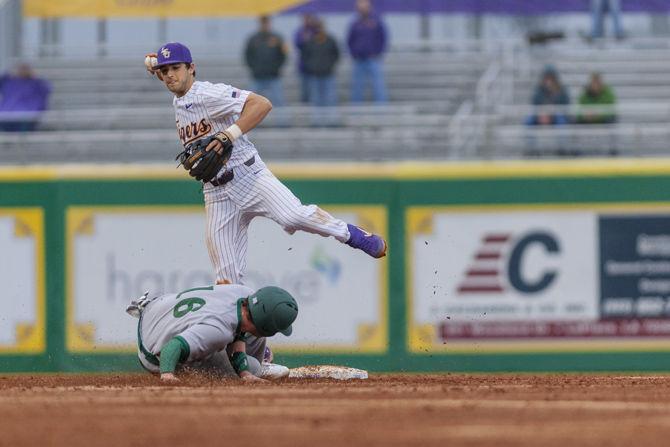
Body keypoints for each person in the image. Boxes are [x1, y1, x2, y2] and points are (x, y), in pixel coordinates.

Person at [144, 42, 387, 287]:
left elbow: (262, 104)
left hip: (248, 175)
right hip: (216, 193)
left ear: (192, 68)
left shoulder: (208, 94)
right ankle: (239, 326)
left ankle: (351, 234)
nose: (170, 75)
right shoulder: (178, 92)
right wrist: (156, 64)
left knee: (293, 216)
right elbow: (165, 71)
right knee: (225, 281)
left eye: (176, 68)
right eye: (165, 71)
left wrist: (229, 134)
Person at [127, 283, 298, 382]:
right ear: (267, 328)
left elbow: (238, 329)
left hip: (157, 308)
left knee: (247, 341)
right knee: (253, 366)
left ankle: (248, 366)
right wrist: (167, 375)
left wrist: (243, 372)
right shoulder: (217, 330)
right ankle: (256, 367)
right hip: (151, 350)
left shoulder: (244, 292)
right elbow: (172, 348)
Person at [347, 0, 388, 103]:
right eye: (360, 7)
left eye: (364, 6)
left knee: (378, 86)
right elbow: (350, 40)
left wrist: (378, 52)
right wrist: (354, 53)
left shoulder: (377, 21)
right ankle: (355, 112)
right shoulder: (355, 23)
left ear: (369, 7)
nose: (362, 9)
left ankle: (381, 112)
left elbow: (383, 38)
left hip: (373, 59)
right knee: (357, 87)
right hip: (359, 60)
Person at [244, 16, 287, 107]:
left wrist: (276, 67)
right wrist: (254, 68)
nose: (265, 25)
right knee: (250, 102)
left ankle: (282, 121)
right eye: (263, 22)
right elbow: (247, 55)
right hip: (257, 76)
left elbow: (283, 55)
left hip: (273, 76)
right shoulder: (253, 39)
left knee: (279, 101)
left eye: (266, 22)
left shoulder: (277, 38)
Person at [0, 63, 51, 132]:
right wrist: (9, 74)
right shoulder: (9, 82)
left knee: (22, 131)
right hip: (7, 115)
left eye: (25, 69)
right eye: (21, 69)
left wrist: (35, 77)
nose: (23, 71)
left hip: (27, 116)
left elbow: (46, 90)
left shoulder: (36, 83)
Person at [294, 13, 319, 104]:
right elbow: (298, 44)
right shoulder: (300, 32)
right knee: (305, 92)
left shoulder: (316, 31)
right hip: (304, 66)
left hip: (315, 67)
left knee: (315, 92)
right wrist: (305, 39)